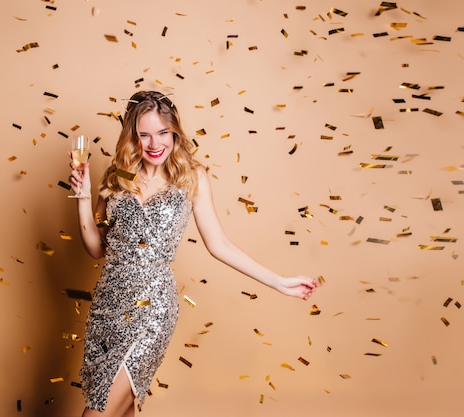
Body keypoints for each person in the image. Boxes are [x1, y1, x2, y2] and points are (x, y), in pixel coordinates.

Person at [69, 90, 318, 417]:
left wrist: (278, 281)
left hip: (152, 310)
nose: (154, 143)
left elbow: (219, 245)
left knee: (100, 411)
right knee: (121, 410)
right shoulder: (117, 177)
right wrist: (84, 199)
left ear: (174, 132)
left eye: (162, 133)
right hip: (108, 308)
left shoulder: (191, 177)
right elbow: (97, 248)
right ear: (132, 136)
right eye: (144, 134)